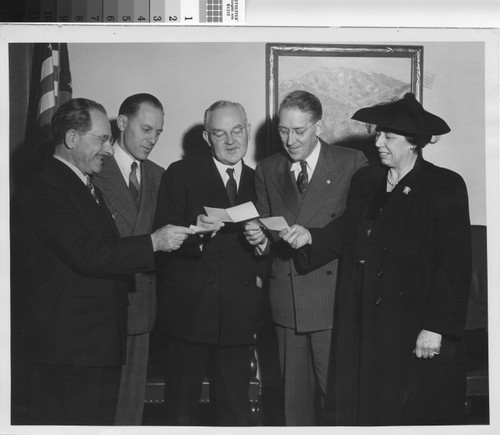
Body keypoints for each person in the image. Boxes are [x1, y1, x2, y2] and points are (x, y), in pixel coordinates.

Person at [281, 93, 472, 425]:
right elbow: (348, 229)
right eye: (378, 133)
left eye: (389, 137)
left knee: (408, 413)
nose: (379, 142)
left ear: (414, 143)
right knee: (364, 412)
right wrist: (313, 235)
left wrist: (435, 327)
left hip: (411, 327)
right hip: (362, 323)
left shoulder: (443, 186)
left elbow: (454, 263)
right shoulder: (367, 180)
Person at [13, 98, 194, 425]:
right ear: (71, 139)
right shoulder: (47, 186)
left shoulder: (79, 184)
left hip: (91, 343)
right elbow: (87, 253)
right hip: (69, 350)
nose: (108, 150)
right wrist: (153, 242)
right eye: (100, 140)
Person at [244, 90, 367, 425]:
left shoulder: (350, 162)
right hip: (286, 302)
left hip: (332, 301)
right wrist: (259, 239)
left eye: (299, 131)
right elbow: (269, 233)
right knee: (293, 409)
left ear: (318, 126)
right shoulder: (268, 169)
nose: (290, 140)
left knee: (338, 405)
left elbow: (359, 228)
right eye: (284, 130)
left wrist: (313, 234)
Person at [153, 100, 268, 425]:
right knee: (180, 413)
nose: (231, 141)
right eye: (220, 134)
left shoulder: (261, 180)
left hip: (238, 319)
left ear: (247, 131)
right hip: (189, 317)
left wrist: (262, 245)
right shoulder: (181, 174)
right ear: (207, 138)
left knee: (236, 413)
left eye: (236, 131)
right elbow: (161, 239)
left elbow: (270, 247)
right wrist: (196, 234)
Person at [92, 93, 165, 425]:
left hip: (142, 308)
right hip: (101, 307)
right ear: (121, 123)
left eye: (158, 133)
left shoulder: (161, 176)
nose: (151, 140)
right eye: (146, 129)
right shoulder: (92, 169)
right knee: (97, 410)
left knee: (130, 413)